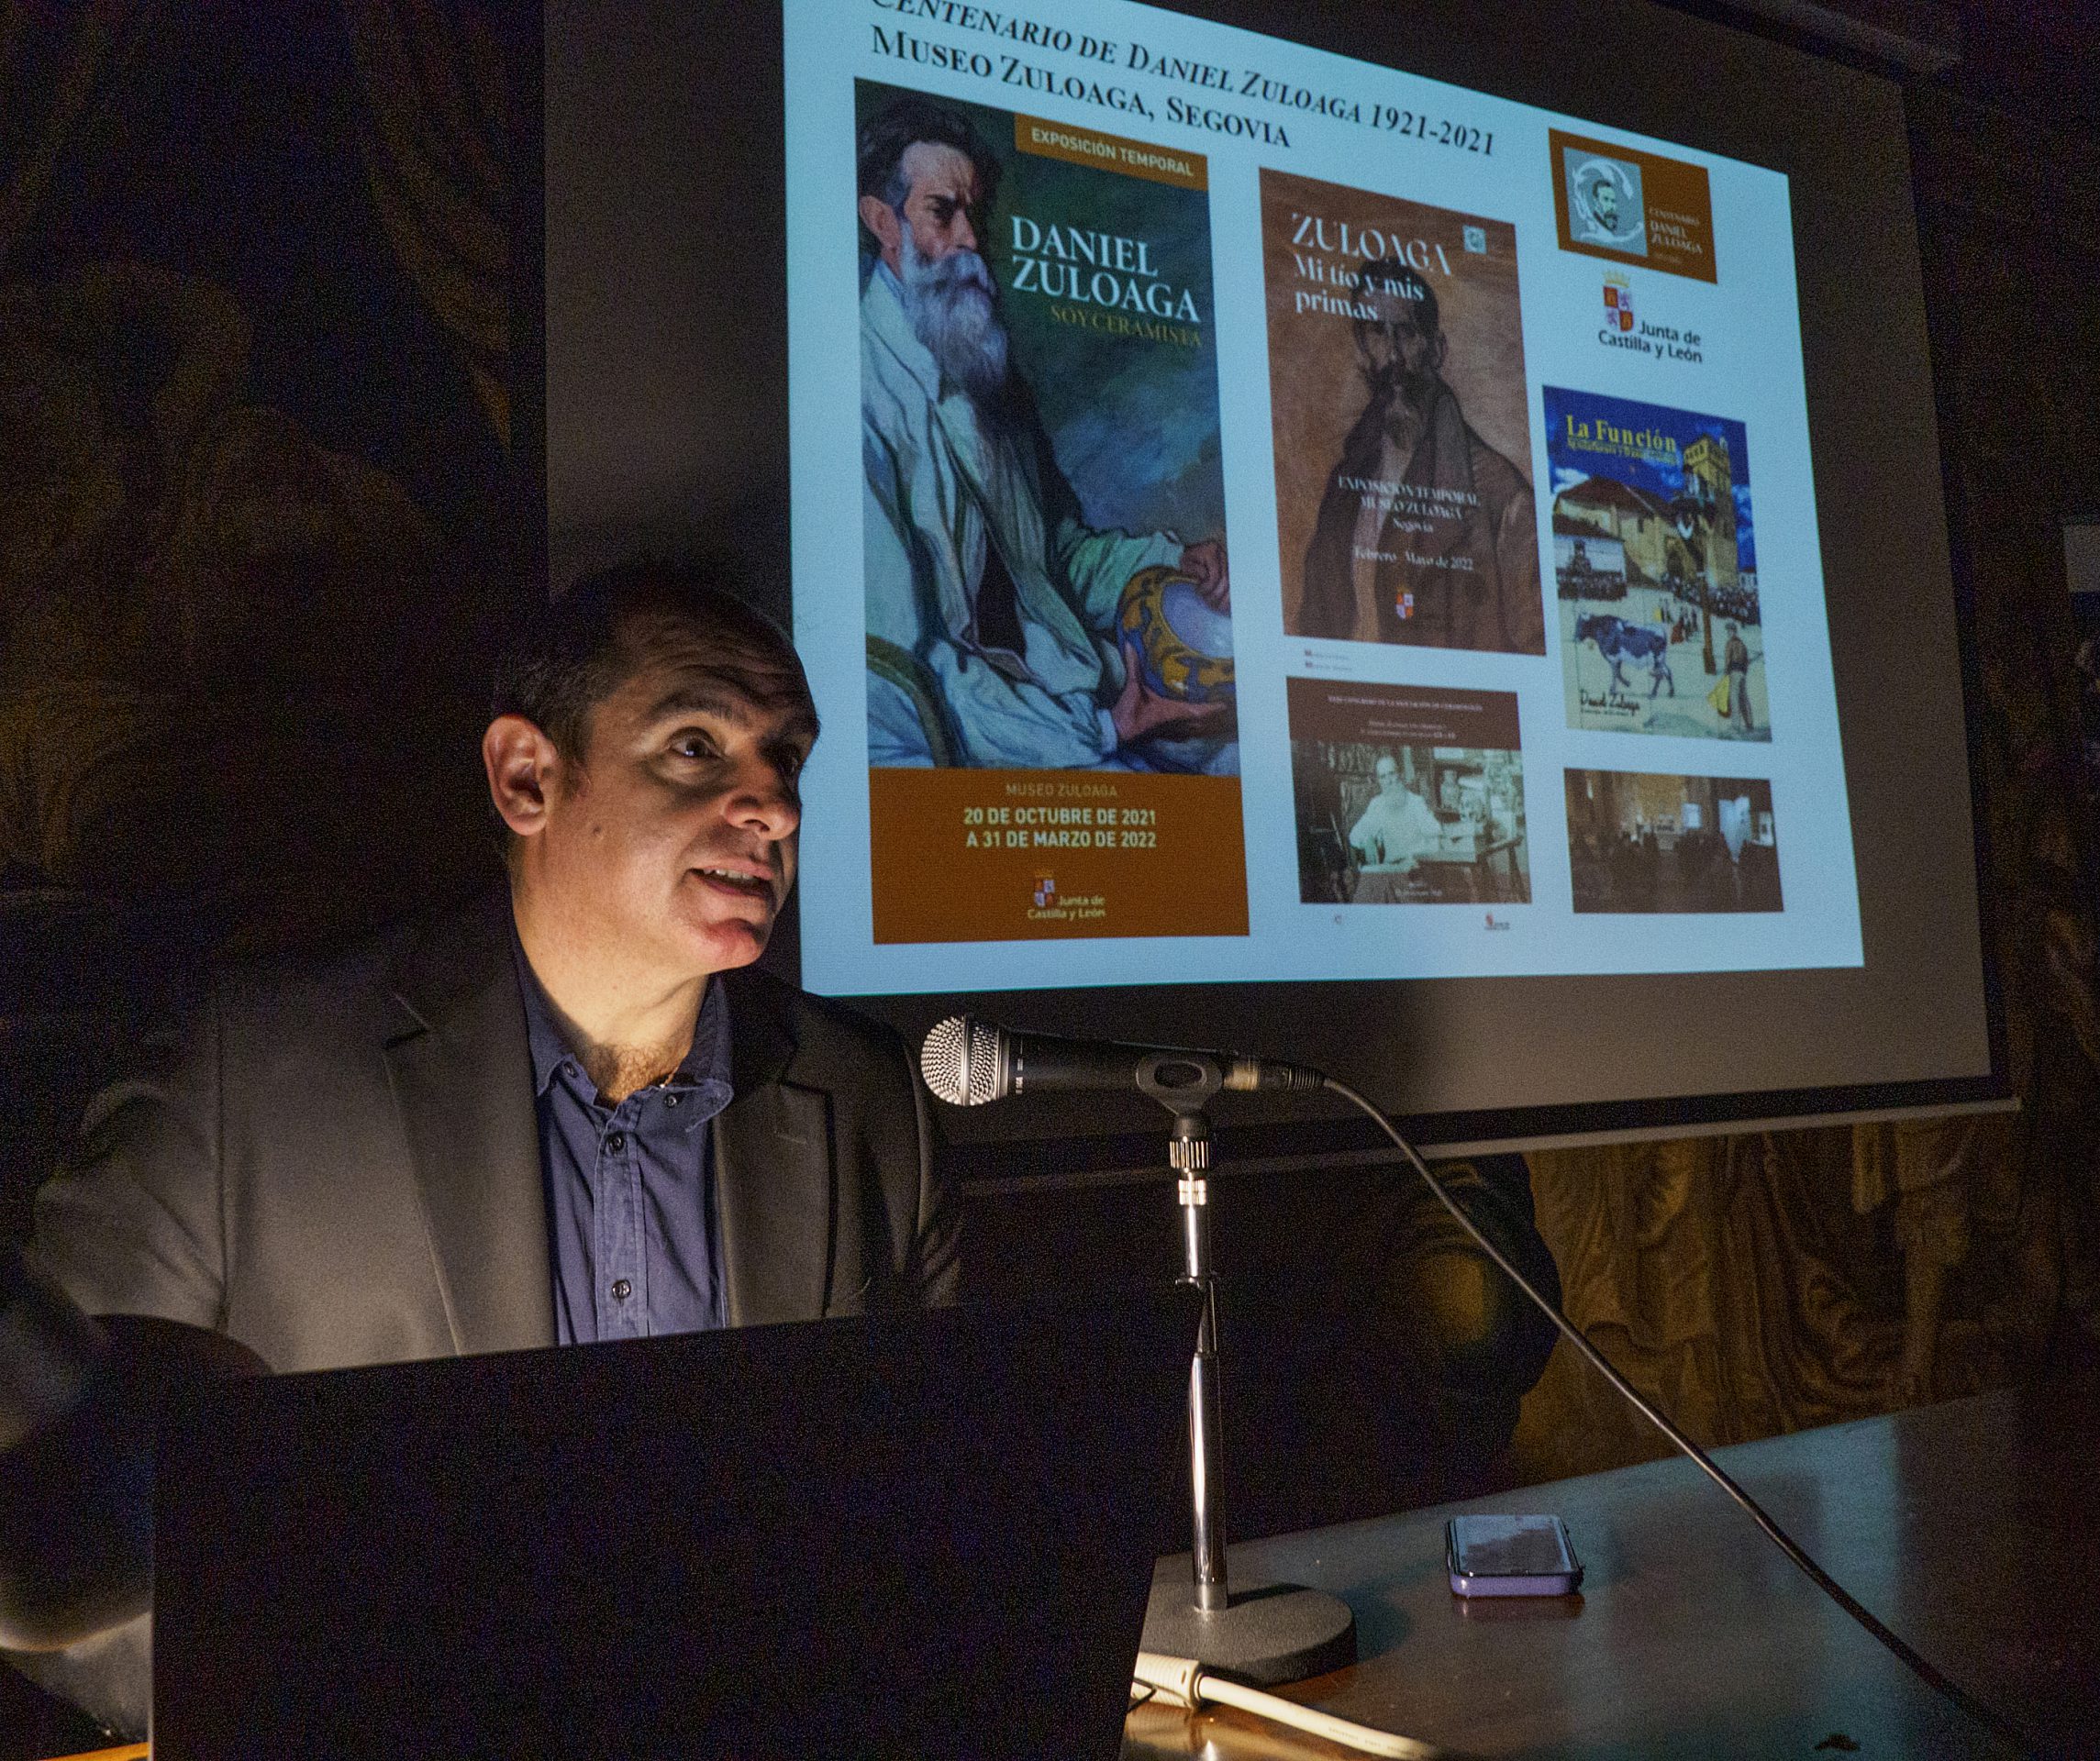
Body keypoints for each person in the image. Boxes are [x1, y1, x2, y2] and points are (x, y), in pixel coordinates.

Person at [11, 559, 961, 1735]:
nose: (773, 804)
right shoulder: (249, 1068)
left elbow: (929, 1524)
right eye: (697, 748)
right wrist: (326, 1710)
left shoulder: (869, 1102)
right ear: (526, 777)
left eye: (788, 759)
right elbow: (46, 1545)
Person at [856, 96, 1230, 770]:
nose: (971, 239)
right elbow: (903, 668)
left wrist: (1174, 562)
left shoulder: (980, 364)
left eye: (976, 213)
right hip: (967, 741)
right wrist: (1105, 729)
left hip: (1072, 691)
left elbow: (1051, 561)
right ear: (882, 221)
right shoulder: (857, 392)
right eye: (944, 212)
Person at [1293, 260, 1542, 655]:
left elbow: (1534, 654)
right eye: (1377, 332)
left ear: (1437, 349)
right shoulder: (1343, 490)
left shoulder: (1503, 499)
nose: (1393, 355)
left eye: (1406, 333)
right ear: (1362, 350)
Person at [1347, 755, 1443, 903]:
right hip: (1389, 870)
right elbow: (1354, 835)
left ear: (1400, 774)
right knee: (1370, 879)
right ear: (1379, 781)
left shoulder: (1415, 802)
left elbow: (1435, 832)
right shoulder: (1377, 805)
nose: (1389, 781)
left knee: (1381, 885)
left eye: (1392, 774)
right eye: (1383, 777)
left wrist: (1417, 857)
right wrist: (1366, 840)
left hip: (1415, 870)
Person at [1723, 621, 1754, 731]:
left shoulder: (1730, 643)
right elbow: (1746, 662)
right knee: (1744, 699)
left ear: (1733, 631)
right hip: (1742, 673)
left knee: (1734, 699)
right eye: (1727, 631)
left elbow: (1728, 660)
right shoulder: (1742, 644)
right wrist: (1744, 672)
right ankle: (1749, 723)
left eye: (1729, 631)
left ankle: (1736, 726)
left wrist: (1726, 673)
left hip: (1733, 672)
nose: (1728, 633)